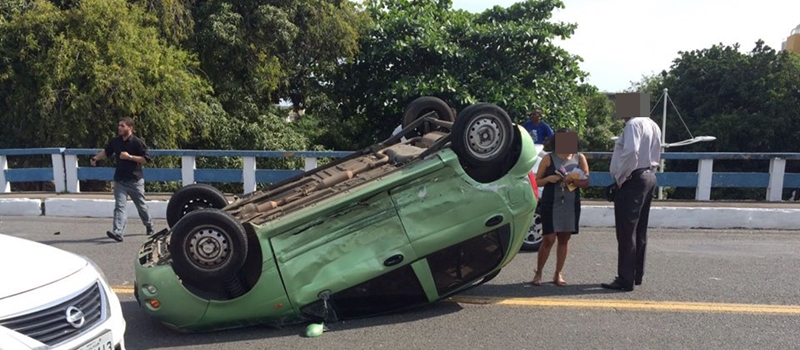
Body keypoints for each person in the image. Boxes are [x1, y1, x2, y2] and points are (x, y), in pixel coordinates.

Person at [602, 93, 662, 292]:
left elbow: (630, 153)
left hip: (633, 179)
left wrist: (620, 178)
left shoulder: (632, 125)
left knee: (626, 231)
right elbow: (656, 153)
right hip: (648, 176)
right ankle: (636, 275)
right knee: (640, 230)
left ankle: (624, 279)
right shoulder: (653, 125)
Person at [531, 129, 590, 286]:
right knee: (549, 238)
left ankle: (558, 273)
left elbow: (586, 182)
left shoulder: (579, 158)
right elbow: (536, 182)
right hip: (551, 202)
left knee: (564, 238)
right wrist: (549, 178)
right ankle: (539, 272)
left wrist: (572, 181)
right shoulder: (548, 158)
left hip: (570, 203)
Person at [91, 117, 155, 242]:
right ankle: (118, 232)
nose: (119, 128)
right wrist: (95, 158)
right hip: (120, 180)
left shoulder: (137, 142)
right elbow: (106, 152)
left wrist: (129, 157)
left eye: (122, 126)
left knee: (141, 206)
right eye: (119, 125)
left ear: (130, 128)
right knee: (120, 206)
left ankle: (149, 224)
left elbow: (146, 159)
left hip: (135, 180)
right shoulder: (115, 141)